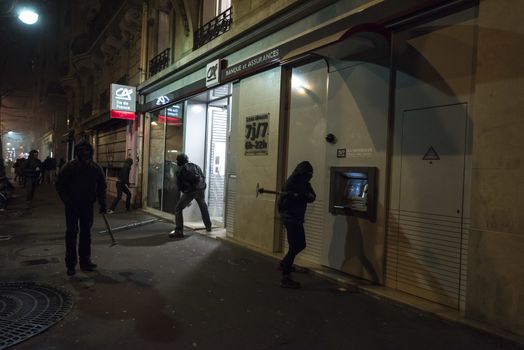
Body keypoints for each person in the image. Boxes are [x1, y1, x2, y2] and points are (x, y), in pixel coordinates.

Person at [55, 141, 107, 276]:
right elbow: (60, 185)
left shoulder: (95, 168)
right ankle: (71, 264)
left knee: (86, 233)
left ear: (90, 152)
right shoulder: (69, 167)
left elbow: (102, 186)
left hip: (87, 205)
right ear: (77, 152)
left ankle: (85, 261)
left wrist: (103, 203)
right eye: (81, 150)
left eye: (86, 150)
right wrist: (67, 200)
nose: (84, 153)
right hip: (72, 205)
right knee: (71, 234)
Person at [277, 161, 316, 289]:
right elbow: (282, 204)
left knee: (300, 245)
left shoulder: (305, 184)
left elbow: (312, 197)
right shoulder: (291, 183)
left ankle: (285, 264)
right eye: (307, 174)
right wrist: (292, 197)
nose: (309, 176)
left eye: (310, 174)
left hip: (298, 219)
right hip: (290, 219)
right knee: (295, 246)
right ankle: (285, 277)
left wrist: (302, 196)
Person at [169, 153, 212, 238]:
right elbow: (202, 177)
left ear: (179, 161)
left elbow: (180, 185)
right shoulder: (195, 166)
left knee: (178, 209)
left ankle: (179, 230)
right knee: (203, 206)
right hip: (200, 189)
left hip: (190, 192)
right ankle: (208, 226)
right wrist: (201, 187)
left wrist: (186, 196)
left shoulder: (180, 170)